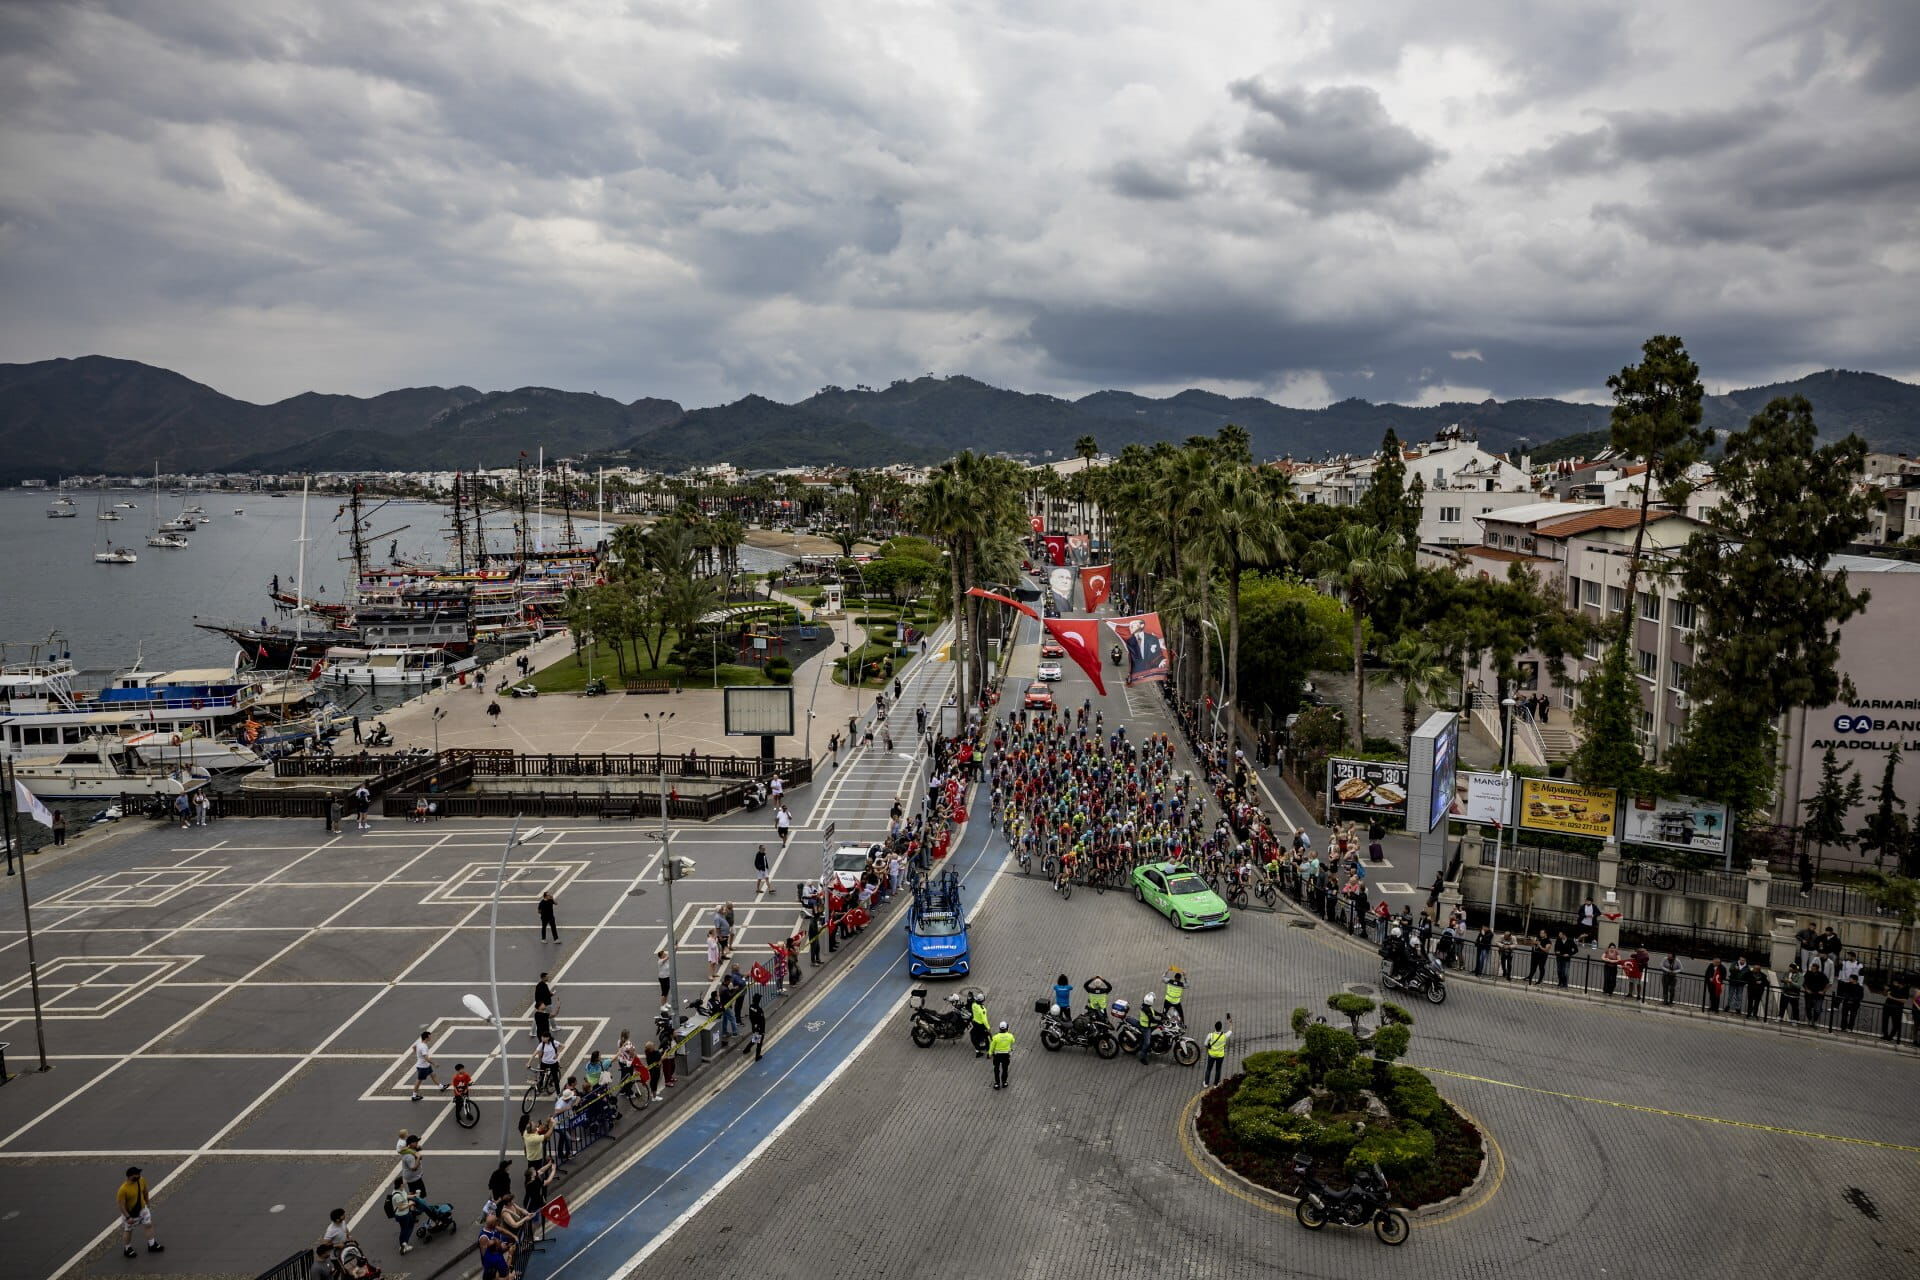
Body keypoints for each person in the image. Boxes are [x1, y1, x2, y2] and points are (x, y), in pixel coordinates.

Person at [117, 1167, 163, 1258]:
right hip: (130, 1213)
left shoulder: (141, 1180)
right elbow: (121, 1205)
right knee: (128, 1230)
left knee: (148, 1224)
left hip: (142, 1209)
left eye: (138, 1174)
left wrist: (147, 1202)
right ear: (130, 1176)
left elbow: (145, 1192)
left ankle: (152, 1244)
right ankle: (127, 1248)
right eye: (136, 1175)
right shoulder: (123, 1189)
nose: (138, 1176)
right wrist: (127, 1217)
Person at [410, 1029, 445, 1102]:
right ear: (426, 1038)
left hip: (426, 1065)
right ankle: (414, 1095)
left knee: (433, 1074)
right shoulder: (423, 1047)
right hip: (422, 1066)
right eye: (429, 1036)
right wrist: (434, 1063)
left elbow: (413, 1047)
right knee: (419, 1081)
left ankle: (441, 1086)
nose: (430, 1037)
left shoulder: (419, 1043)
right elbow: (426, 1058)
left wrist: (417, 1054)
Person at [387, 1177, 416, 1255]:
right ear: (401, 1184)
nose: (405, 1181)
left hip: (407, 1213)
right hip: (402, 1215)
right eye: (404, 1181)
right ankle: (403, 1245)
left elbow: (405, 1196)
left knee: (410, 1225)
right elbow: (400, 1208)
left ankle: (404, 1242)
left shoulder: (402, 1189)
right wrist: (410, 1204)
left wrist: (414, 1196)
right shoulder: (397, 1196)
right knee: (404, 1229)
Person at [1203, 1015, 1233, 1087]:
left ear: (1215, 1027)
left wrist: (1208, 1048)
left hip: (1211, 1055)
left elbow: (1205, 1044)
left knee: (1209, 1069)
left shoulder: (1210, 1035)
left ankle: (1206, 1083)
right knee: (1218, 1069)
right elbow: (1230, 1030)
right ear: (1221, 1028)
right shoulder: (1224, 1036)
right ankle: (1215, 1084)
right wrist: (1230, 1022)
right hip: (1220, 1056)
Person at [989, 1020, 1015, 1090]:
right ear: (1007, 1028)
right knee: (1005, 1069)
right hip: (1006, 1055)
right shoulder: (1010, 1036)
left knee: (996, 1069)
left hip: (997, 1055)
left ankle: (997, 1084)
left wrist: (990, 1053)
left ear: (999, 1028)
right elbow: (1013, 1041)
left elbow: (992, 1046)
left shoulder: (995, 1037)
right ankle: (1004, 1082)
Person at [1135, 993, 1157, 1064]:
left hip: (1147, 1024)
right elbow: (1152, 1019)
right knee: (1147, 1043)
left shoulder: (1146, 1005)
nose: (1154, 1000)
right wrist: (1160, 1021)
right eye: (1153, 1000)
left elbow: (1153, 1012)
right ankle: (1142, 1057)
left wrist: (1161, 1015)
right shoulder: (1146, 1009)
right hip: (1145, 1027)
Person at [532, 973, 554, 1042]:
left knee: (538, 1018)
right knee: (550, 1015)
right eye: (547, 977)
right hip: (545, 1004)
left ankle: (532, 1032)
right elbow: (546, 995)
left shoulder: (540, 985)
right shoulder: (543, 985)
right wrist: (551, 994)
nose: (548, 978)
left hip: (541, 1004)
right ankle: (554, 1026)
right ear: (543, 978)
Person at [745, 994, 767, 1061]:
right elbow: (762, 1021)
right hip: (759, 1028)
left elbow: (751, 1017)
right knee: (759, 1043)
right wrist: (762, 1030)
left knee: (756, 1039)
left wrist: (754, 1025)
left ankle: (747, 1049)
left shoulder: (751, 1007)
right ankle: (757, 1056)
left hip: (754, 1026)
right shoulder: (759, 1010)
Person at [969, 991, 991, 1057]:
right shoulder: (982, 1009)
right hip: (981, 1026)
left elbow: (973, 1000)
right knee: (986, 1037)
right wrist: (988, 1027)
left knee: (974, 1036)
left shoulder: (973, 1005)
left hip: (974, 1023)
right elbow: (984, 1020)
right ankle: (988, 1050)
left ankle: (978, 1051)